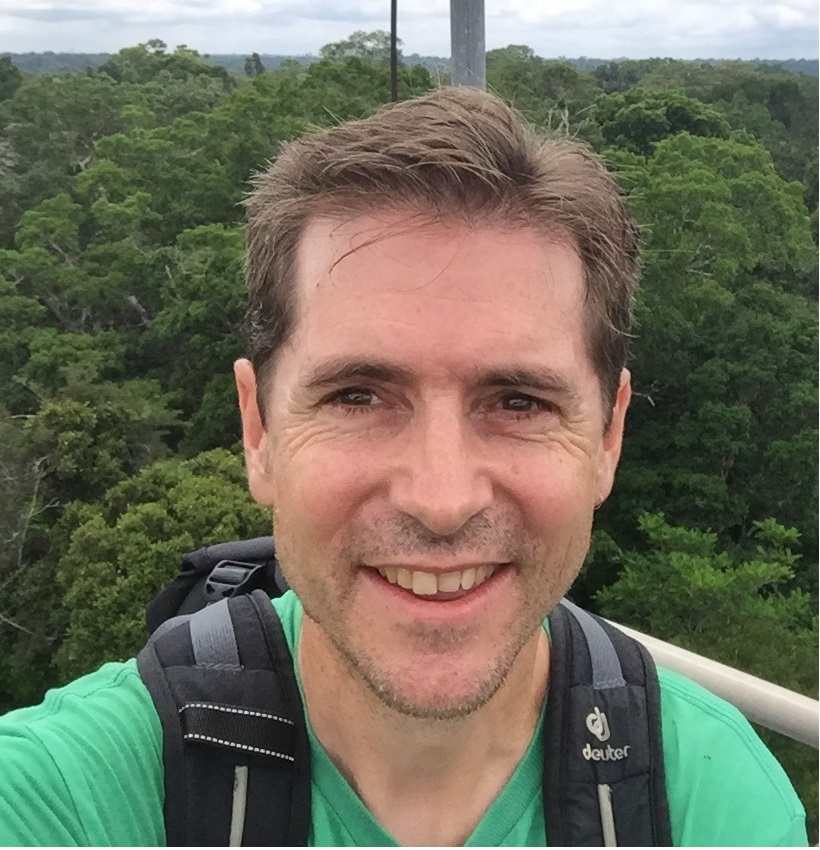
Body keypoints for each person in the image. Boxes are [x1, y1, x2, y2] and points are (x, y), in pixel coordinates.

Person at [0, 87, 807, 847]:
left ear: (607, 438)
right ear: (259, 430)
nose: (443, 499)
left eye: (520, 401)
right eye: (358, 395)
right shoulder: (62, 796)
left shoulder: (709, 798)